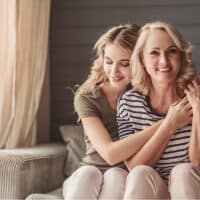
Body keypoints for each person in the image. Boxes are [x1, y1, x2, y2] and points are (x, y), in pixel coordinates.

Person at [62, 24, 167, 199]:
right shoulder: (88, 97)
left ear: (142, 61)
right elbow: (110, 154)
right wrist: (165, 124)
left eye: (125, 64)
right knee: (88, 173)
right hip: (90, 171)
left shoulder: (150, 95)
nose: (114, 71)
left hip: (126, 174)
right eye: (108, 62)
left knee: (116, 176)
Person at [117, 21, 200, 199]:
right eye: (154, 53)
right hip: (154, 190)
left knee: (184, 171)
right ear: (141, 59)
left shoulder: (195, 94)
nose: (164, 61)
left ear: (182, 56)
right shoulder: (129, 102)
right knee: (139, 174)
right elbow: (134, 166)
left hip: (191, 187)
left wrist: (198, 109)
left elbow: (197, 162)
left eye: (172, 51)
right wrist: (170, 124)